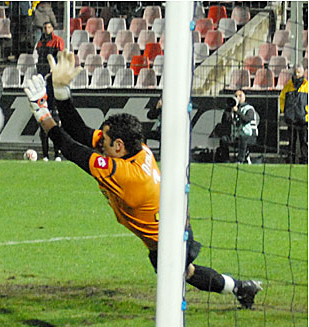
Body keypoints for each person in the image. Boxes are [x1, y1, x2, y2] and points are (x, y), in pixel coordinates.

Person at [23, 51, 262, 309]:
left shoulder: (123, 173)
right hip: (171, 225)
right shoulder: (134, 150)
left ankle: (226, 296)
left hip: (171, 236)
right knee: (187, 272)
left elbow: (70, 148)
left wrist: (41, 111)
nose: (99, 144)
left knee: (177, 279)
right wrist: (61, 91)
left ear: (118, 145)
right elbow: (79, 132)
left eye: (104, 141)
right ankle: (240, 288)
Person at [35, 20, 64, 161]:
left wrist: (55, 70)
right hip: (43, 81)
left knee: (55, 120)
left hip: (53, 81)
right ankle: (45, 154)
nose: (46, 29)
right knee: (43, 121)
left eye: (48, 27)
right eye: (44, 27)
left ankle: (57, 153)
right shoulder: (40, 43)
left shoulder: (57, 41)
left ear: (52, 28)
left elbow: (60, 57)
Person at [279, 64, 308, 164]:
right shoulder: (288, 86)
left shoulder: (307, 86)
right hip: (291, 119)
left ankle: (304, 160)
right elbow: (282, 99)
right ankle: (290, 160)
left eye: (299, 72)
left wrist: (306, 113)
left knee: (304, 141)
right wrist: (285, 112)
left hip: (303, 119)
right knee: (291, 141)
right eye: (295, 72)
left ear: (303, 73)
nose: (296, 74)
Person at [221, 90, 259, 164]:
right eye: (236, 96)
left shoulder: (249, 109)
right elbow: (224, 121)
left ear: (245, 97)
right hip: (237, 136)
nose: (238, 98)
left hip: (250, 136)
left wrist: (237, 111)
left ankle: (240, 160)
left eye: (240, 96)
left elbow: (246, 120)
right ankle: (226, 160)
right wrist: (229, 111)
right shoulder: (232, 109)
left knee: (243, 138)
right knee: (223, 139)